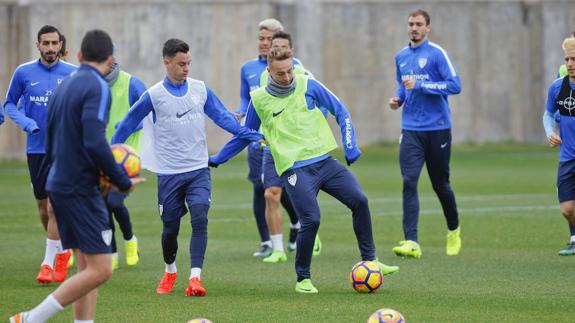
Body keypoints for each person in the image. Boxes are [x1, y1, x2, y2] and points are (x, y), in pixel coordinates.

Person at [210, 47, 399, 293]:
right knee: (311, 219)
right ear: (269, 71)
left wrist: (349, 145)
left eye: (289, 71)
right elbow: (244, 135)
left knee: (360, 201)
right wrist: (218, 158)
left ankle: (371, 260)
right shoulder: (259, 99)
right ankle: (303, 279)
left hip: (324, 162)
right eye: (280, 73)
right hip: (294, 170)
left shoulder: (307, 83)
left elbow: (340, 110)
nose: (287, 77)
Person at [10, 28, 143, 323]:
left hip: (60, 183)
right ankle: (31, 318)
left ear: (80, 55)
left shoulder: (65, 86)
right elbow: (95, 140)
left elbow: (53, 139)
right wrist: (120, 181)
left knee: (87, 269)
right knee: (102, 269)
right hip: (80, 190)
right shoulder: (97, 87)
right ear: (110, 60)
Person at [112, 38, 262, 297]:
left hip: (198, 169)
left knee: (200, 217)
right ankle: (170, 270)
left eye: (189, 63)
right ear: (166, 62)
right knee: (170, 228)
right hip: (169, 174)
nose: (186, 68)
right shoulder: (154, 95)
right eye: (181, 64)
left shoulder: (200, 89)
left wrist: (252, 135)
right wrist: (110, 153)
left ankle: (195, 278)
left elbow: (223, 117)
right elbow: (126, 124)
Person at [4, 25, 77, 283]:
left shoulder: (73, 74)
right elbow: (9, 104)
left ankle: (47, 264)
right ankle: (61, 249)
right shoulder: (23, 72)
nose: (50, 48)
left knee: (54, 205)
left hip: (64, 150)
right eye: (45, 43)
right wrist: (26, 122)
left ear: (60, 45)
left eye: (54, 43)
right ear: (38, 45)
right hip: (36, 149)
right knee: (43, 208)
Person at [388, 9, 462, 259]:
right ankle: (412, 241)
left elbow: (455, 85)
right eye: (410, 24)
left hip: (438, 129)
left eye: (419, 24)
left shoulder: (437, 54)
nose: (414, 28)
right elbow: (402, 83)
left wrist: (421, 85)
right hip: (411, 130)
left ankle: (453, 230)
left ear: (428, 28)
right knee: (409, 181)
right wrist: (398, 98)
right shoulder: (401, 56)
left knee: (440, 184)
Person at [237, 18, 306, 258]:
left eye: (269, 39)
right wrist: (241, 114)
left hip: (285, 142)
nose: (264, 43)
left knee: (283, 187)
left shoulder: (294, 67)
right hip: (258, 140)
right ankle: (267, 242)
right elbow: (246, 99)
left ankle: (298, 223)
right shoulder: (248, 68)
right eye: (261, 38)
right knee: (261, 188)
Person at [254, 31, 322, 263]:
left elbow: (320, 106)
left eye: (282, 46)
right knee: (271, 195)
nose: (276, 49)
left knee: (304, 198)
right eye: (274, 46)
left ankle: (310, 230)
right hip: (272, 148)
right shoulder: (265, 77)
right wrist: (257, 134)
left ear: (291, 51)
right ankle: (277, 249)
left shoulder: (304, 76)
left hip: (300, 149)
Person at [103, 53, 147, 269]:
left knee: (114, 202)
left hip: (125, 160)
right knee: (103, 207)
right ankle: (111, 253)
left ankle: (130, 240)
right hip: (98, 158)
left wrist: (128, 125)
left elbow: (148, 112)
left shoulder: (132, 83)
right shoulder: (90, 86)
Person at [544, 36, 575, 256]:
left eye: (574, 59)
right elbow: (548, 114)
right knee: (566, 209)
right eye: (567, 59)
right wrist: (550, 133)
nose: (570, 63)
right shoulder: (557, 87)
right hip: (567, 157)